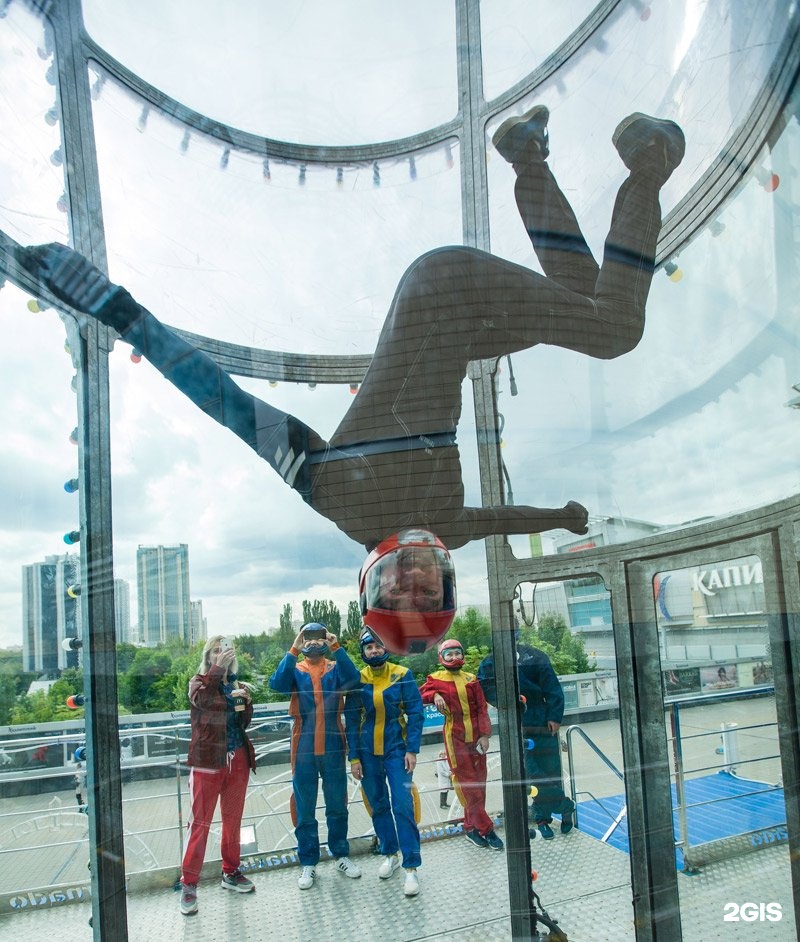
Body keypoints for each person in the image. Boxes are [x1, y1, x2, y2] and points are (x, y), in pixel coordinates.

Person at [17, 109, 684, 642]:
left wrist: (123, 314)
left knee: (613, 330)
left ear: (376, 577)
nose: (420, 577)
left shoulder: (337, 496)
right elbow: (503, 518)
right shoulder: (443, 524)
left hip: (448, 294)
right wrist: (563, 517)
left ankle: (646, 163)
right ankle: (525, 154)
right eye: (434, 591)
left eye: (405, 590)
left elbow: (227, 403)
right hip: (463, 317)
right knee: (588, 306)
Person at [269, 622, 361, 890]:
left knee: (337, 803)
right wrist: (294, 649)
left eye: (317, 637)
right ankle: (308, 861)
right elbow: (277, 684)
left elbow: (354, 678)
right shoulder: (296, 669)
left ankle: (341, 855)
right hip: (304, 744)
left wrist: (337, 646)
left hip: (333, 741)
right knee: (304, 805)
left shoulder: (334, 667)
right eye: (307, 638)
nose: (312, 642)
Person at [180, 635, 257, 916]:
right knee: (199, 823)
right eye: (215, 651)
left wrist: (246, 703)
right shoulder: (199, 682)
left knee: (233, 819)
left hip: (237, 759)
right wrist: (216, 672)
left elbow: (241, 722)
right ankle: (189, 883)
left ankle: (231, 871)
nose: (220, 655)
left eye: (224, 651)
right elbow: (205, 706)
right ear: (208, 656)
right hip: (207, 763)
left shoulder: (232, 686)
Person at [345, 627, 424, 897]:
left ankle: (411, 867)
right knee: (378, 805)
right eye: (369, 647)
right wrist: (354, 757)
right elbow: (352, 722)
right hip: (367, 753)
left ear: (386, 648)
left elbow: (415, 713)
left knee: (402, 805)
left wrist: (412, 749)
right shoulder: (356, 679)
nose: (374, 651)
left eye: (378, 646)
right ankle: (390, 854)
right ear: (363, 652)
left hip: (397, 749)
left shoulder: (402, 675)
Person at [478, 638, 574, 840]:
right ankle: (557, 810)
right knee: (533, 774)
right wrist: (509, 700)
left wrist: (555, 716)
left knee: (551, 769)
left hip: (541, 720)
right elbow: (485, 687)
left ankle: (553, 816)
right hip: (514, 722)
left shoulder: (535, 656)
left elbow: (553, 688)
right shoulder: (490, 662)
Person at [420, 639, 504, 850]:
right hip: (454, 738)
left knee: (479, 784)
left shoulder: (471, 679)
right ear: (441, 658)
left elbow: (482, 709)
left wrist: (485, 735)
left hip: (476, 739)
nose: (455, 657)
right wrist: (435, 694)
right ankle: (487, 830)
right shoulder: (436, 678)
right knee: (468, 786)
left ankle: (470, 828)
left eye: (458, 653)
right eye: (449, 654)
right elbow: (419, 695)